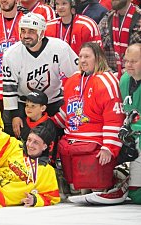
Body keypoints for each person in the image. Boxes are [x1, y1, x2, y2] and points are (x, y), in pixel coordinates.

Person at [52, 42, 126, 204]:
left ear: (98, 58)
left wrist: (109, 147)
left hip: (95, 144)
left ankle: (114, 179)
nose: (82, 60)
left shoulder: (106, 81)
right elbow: (67, 112)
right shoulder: (72, 81)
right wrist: (44, 124)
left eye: (87, 56)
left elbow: (114, 117)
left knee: (94, 188)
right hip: (71, 143)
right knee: (76, 190)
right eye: (80, 57)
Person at [2, 12, 78, 138]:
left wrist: (69, 103)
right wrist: (16, 115)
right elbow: (9, 88)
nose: (26, 35)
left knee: (58, 138)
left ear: (42, 33)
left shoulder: (60, 48)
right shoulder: (11, 54)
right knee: (16, 135)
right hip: (25, 103)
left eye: (31, 31)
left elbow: (76, 76)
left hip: (53, 102)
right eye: (23, 31)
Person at [119, 43, 141, 204]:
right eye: (127, 61)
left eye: (134, 61)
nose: (128, 65)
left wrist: (132, 129)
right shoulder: (125, 79)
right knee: (135, 195)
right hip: (133, 139)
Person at [99, 0, 141, 78]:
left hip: (136, 78)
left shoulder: (139, 18)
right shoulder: (107, 18)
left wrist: (124, 73)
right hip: (111, 76)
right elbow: (98, 50)